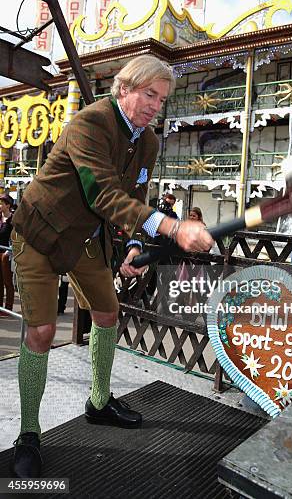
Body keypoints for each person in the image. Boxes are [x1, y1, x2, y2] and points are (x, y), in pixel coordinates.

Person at [10, 54, 214, 478]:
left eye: (161, 99)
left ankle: (99, 402)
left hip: (86, 238)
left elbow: (133, 197)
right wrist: (172, 228)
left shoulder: (149, 142)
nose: (156, 106)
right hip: (39, 233)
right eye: (149, 95)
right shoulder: (89, 123)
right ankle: (29, 433)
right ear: (124, 88)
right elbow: (102, 193)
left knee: (107, 312)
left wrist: (136, 243)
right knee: (43, 332)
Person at [0, 193, 15, 313]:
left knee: (7, 281)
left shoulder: (12, 220)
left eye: (1, 203)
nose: (0, 205)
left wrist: (8, 251)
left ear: (8, 205)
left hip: (6, 254)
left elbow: (15, 238)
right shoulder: (0, 218)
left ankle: (8, 307)